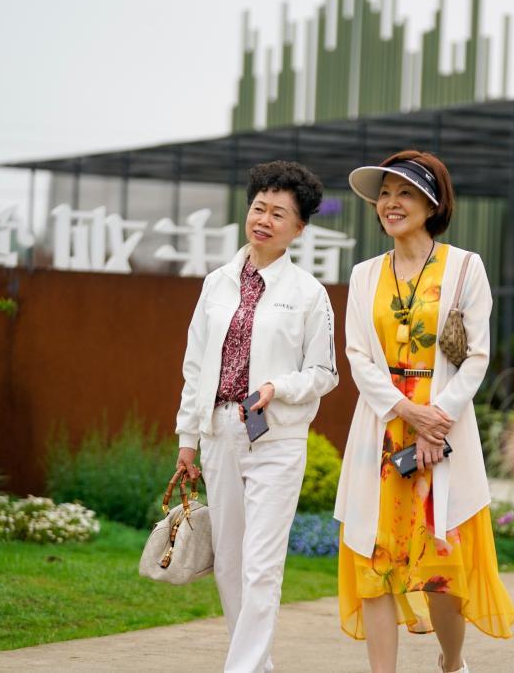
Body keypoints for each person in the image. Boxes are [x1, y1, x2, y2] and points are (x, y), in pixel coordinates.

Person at [335, 150, 514, 673]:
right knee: (375, 561)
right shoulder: (365, 275)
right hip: (381, 427)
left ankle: (452, 662)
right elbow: (357, 355)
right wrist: (405, 411)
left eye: (405, 194)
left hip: (444, 428)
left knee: (441, 563)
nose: (391, 204)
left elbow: (476, 355)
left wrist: (435, 420)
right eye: (384, 195)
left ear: (433, 204)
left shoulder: (465, 267)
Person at [174, 160, 338, 673]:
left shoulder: (309, 293)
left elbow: (325, 372)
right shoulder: (216, 284)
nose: (264, 220)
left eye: (279, 213)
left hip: (277, 438)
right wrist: (187, 439)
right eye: (259, 208)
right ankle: (256, 666)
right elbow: (195, 365)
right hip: (220, 432)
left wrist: (277, 387)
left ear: (299, 228)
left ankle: (240, 669)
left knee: (261, 565)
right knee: (229, 563)